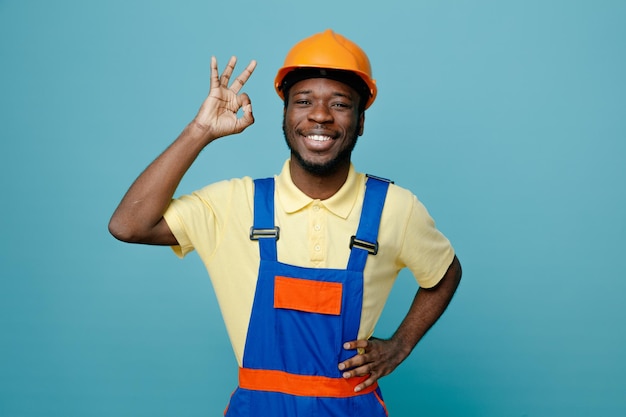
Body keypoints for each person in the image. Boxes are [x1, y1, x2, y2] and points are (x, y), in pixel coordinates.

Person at [109, 29, 462, 416]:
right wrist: (200, 132)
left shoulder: (396, 208)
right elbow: (129, 225)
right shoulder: (234, 204)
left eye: (340, 104)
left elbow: (445, 272)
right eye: (304, 101)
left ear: (360, 121)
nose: (320, 115)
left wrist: (400, 345)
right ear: (286, 114)